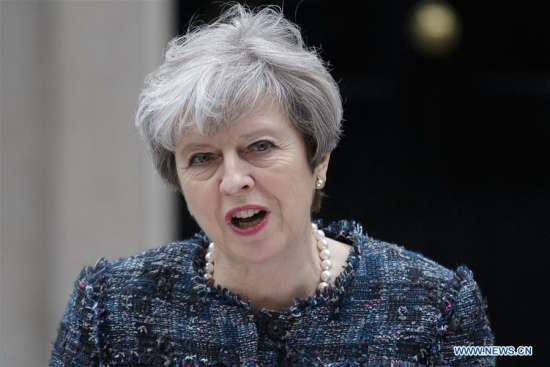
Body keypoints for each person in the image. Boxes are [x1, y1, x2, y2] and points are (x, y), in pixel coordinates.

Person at [50, 4, 494, 366]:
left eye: (259, 147)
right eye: (202, 158)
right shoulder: (109, 309)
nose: (234, 180)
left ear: (318, 159)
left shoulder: (435, 308)